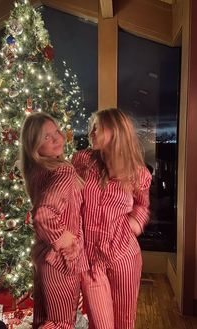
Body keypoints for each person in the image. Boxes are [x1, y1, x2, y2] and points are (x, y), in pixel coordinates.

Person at [72, 108, 152, 329]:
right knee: (99, 323)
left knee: (125, 321)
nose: (91, 133)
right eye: (91, 127)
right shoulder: (82, 160)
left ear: (115, 131)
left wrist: (133, 225)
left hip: (124, 257)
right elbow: (70, 200)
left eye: (97, 128)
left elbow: (142, 206)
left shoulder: (137, 172)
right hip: (91, 261)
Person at [20, 112, 88, 329]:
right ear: (33, 145)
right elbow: (44, 214)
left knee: (43, 318)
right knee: (61, 323)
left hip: (44, 257)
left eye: (56, 132)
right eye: (46, 137)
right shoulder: (63, 170)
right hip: (60, 260)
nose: (57, 138)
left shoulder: (38, 170)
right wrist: (66, 239)